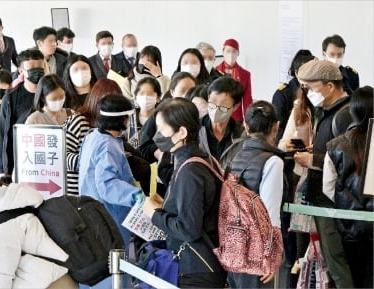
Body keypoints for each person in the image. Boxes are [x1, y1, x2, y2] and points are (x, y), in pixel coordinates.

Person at [143, 97, 226, 288]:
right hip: (206, 262)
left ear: (181, 132)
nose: (157, 135)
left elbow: (189, 228)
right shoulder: (204, 159)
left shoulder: (190, 170)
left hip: (196, 269)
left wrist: (154, 214)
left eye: (162, 129)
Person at [0, 168, 77, 288]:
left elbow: (0, 275)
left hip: (49, 284)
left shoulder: (3, 224)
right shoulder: (8, 208)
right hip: (52, 280)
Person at [293, 59, 353, 288]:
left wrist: (313, 160)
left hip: (333, 202)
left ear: (329, 86)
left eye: (311, 87)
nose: (308, 93)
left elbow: (349, 160)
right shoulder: (328, 111)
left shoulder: (344, 114)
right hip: (320, 197)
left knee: (336, 261)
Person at [226, 101, 284, 288]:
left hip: (233, 245)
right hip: (256, 252)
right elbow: (269, 214)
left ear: (246, 125)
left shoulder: (233, 154)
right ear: (276, 126)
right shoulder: (273, 161)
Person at [79, 92, 142, 253]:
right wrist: (135, 196)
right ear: (122, 119)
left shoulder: (93, 136)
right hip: (109, 216)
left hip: (92, 212)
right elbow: (107, 185)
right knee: (116, 266)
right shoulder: (108, 145)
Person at [323, 86, 373, 289]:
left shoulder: (336, 145)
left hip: (349, 228)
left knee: (354, 277)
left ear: (352, 112)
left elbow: (328, 188)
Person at [0, 49, 45, 183]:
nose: (37, 71)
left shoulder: (50, 93)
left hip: (48, 158)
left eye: (40, 67)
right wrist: (3, 170)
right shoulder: (11, 97)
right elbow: (4, 134)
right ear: (21, 70)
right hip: (22, 159)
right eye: (31, 68)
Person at [137, 72, 196, 164]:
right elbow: (145, 147)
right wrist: (161, 154)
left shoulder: (199, 114)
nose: (187, 95)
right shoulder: (161, 114)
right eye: (182, 91)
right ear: (172, 92)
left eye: (191, 91)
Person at [199, 76, 246, 164]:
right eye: (212, 103)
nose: (216, 110)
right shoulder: (195, 129)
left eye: (223, 106)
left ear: (235, 106)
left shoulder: (241, 135)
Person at [272, 50, 314, 143]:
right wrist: (285, 146)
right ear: (296, 73)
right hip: (288, 146)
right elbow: (277, 127)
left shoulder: (315, 92)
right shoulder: (282, 94)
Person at [215, 39, 252, 122]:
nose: (231, 54)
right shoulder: (214, 72)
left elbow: (247, 100)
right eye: (228, 51)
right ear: (223, 52)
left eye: (234, 51)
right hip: (218, 116)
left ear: (238, 53)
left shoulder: (245, 74)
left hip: (236, 118)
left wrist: (248, 120)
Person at [130, 77, 161, 147]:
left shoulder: (163, 119)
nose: (145, 97)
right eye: (141, 93)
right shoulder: (129, 118)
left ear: (158, 98)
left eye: (150, 94)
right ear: (136, 97)